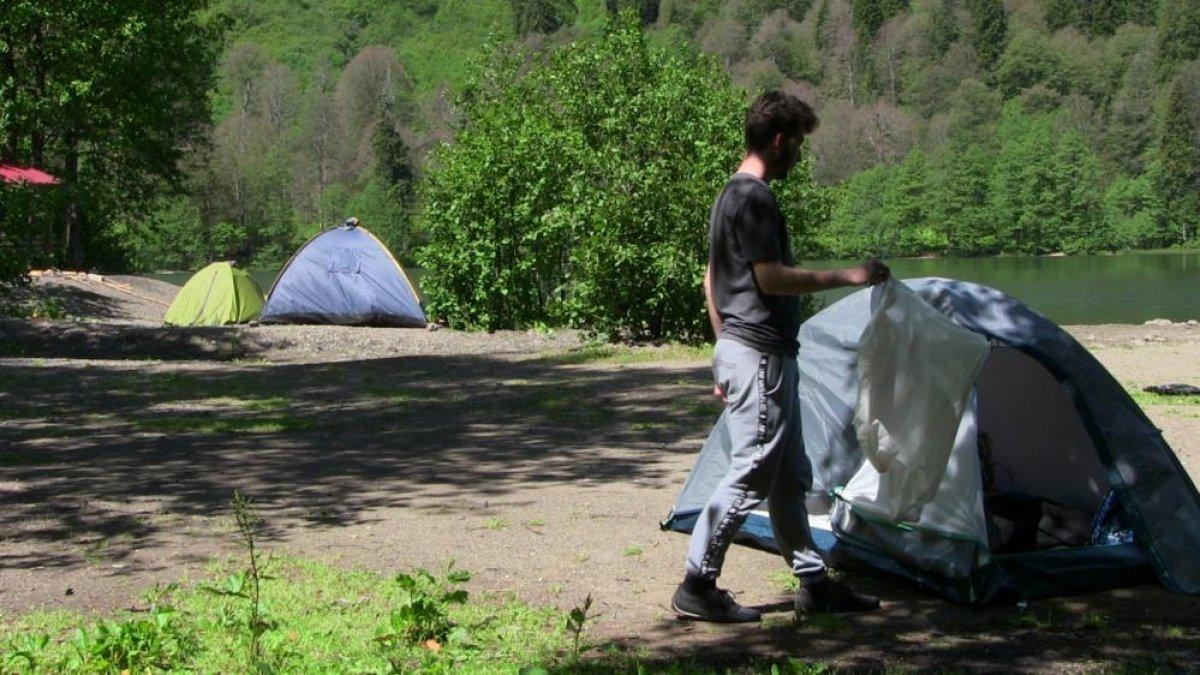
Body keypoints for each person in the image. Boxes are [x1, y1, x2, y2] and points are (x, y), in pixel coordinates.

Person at [672, 91, 890, 623]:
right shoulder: (756, 198)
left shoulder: (729, 194)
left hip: (749, 352)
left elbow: (712, 281)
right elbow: (769, 278)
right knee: (749, 472)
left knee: (791, 476)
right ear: (779, 139)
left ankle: (814, 586)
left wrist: (722, 348)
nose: (798, 154)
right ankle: (697, 585)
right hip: (762, 356)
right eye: (797, 143)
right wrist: (849, 276)